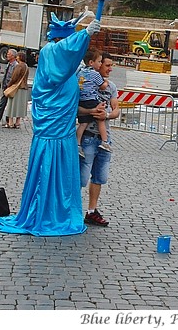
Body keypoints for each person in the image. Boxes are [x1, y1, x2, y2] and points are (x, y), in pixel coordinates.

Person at [0, 12, 102, 236]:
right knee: (49, 169)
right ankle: (47, 211)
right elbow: (64, 54)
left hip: (63, 130)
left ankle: (60, 210)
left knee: (61, 171)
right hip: (53, 130)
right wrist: (85, 34)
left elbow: (69, 58)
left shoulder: (63, 64)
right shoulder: (50, 53)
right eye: (68, 41)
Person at [79, 52, 119, 227]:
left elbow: (117, 109)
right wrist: (90, 112)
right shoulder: (85, 82)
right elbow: (75, 108)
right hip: (88, 137)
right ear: (98, 65)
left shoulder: (111, 87)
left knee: (99, 178)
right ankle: (71, 209)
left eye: (111, 65)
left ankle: (91, 211)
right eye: (107, 65)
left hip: (104, 138)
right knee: (80, 178)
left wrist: (107, 115)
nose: (110, 68)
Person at [76, 49, 111, 155]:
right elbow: (103, 87)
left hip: (82, 100)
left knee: (83, 124)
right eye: (99, 62)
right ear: (91, 62)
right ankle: (105, 141)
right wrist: (106, 81)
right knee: (100, 119)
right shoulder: (95, 74)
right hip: (91, 99)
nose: (100, 64)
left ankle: (77, 144)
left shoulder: (80, 72)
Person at [3, 51, 29, 129]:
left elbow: (14, 77)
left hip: (17, 88)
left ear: (20, 57)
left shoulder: (19, 66)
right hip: (24, 88)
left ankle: (10, 122)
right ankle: (17, 122)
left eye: (17, 56)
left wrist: (9, 85)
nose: (16, 58)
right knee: (20, 106)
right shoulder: (26, 66)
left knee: (12, 105)